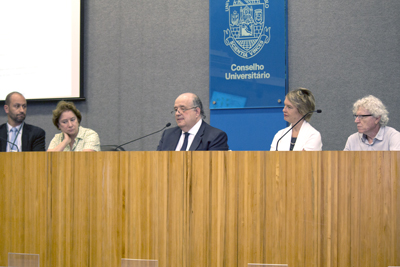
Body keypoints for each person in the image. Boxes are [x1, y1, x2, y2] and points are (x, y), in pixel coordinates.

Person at [157, 92, 229, 151]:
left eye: (183, 109)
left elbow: (216, 166)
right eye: (176, 109)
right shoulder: (168, 135)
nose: (177, 113)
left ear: (197, 112)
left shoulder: (215, 136)